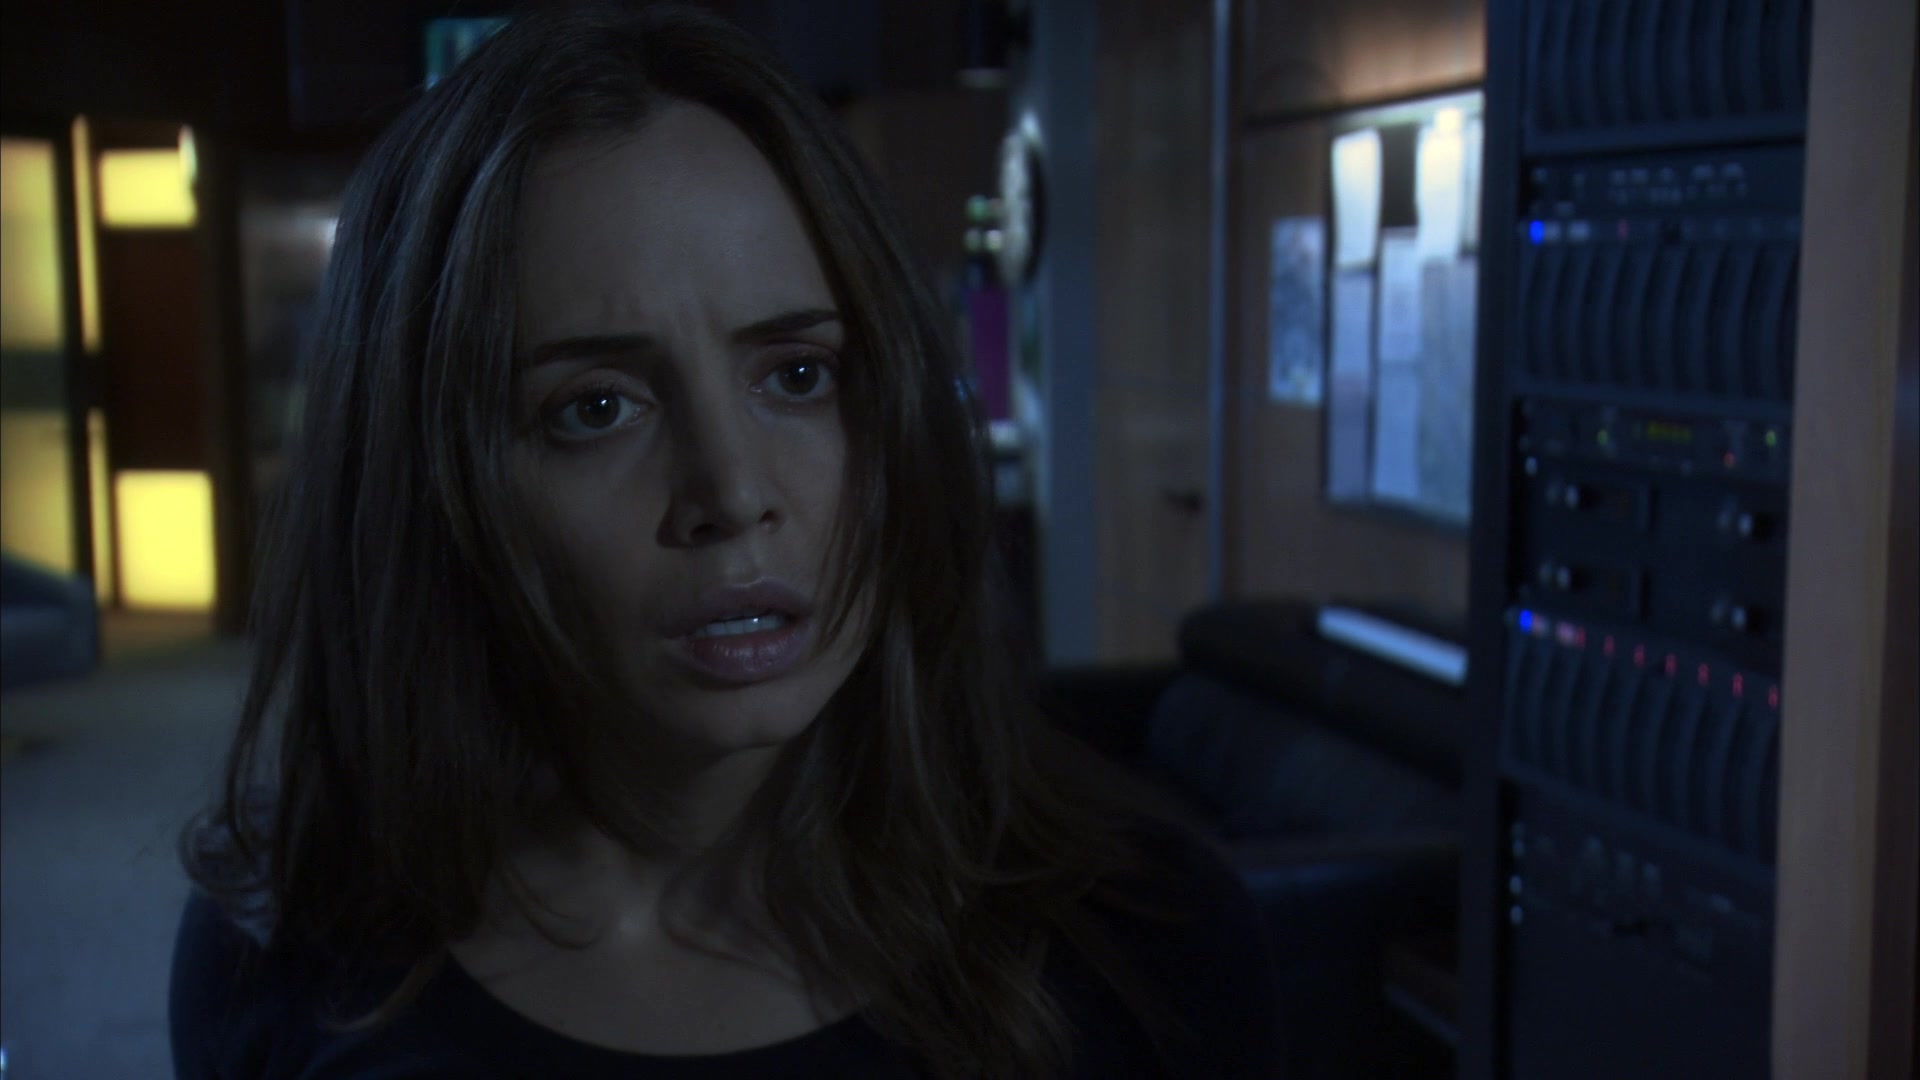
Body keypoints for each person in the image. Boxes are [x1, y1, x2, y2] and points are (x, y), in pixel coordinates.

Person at [169, 5, 1279, 1077]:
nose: (733, 492)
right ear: (427, 483)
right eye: (596, 408)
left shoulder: (1148, 945)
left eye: (796, 375)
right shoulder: (287, 952)